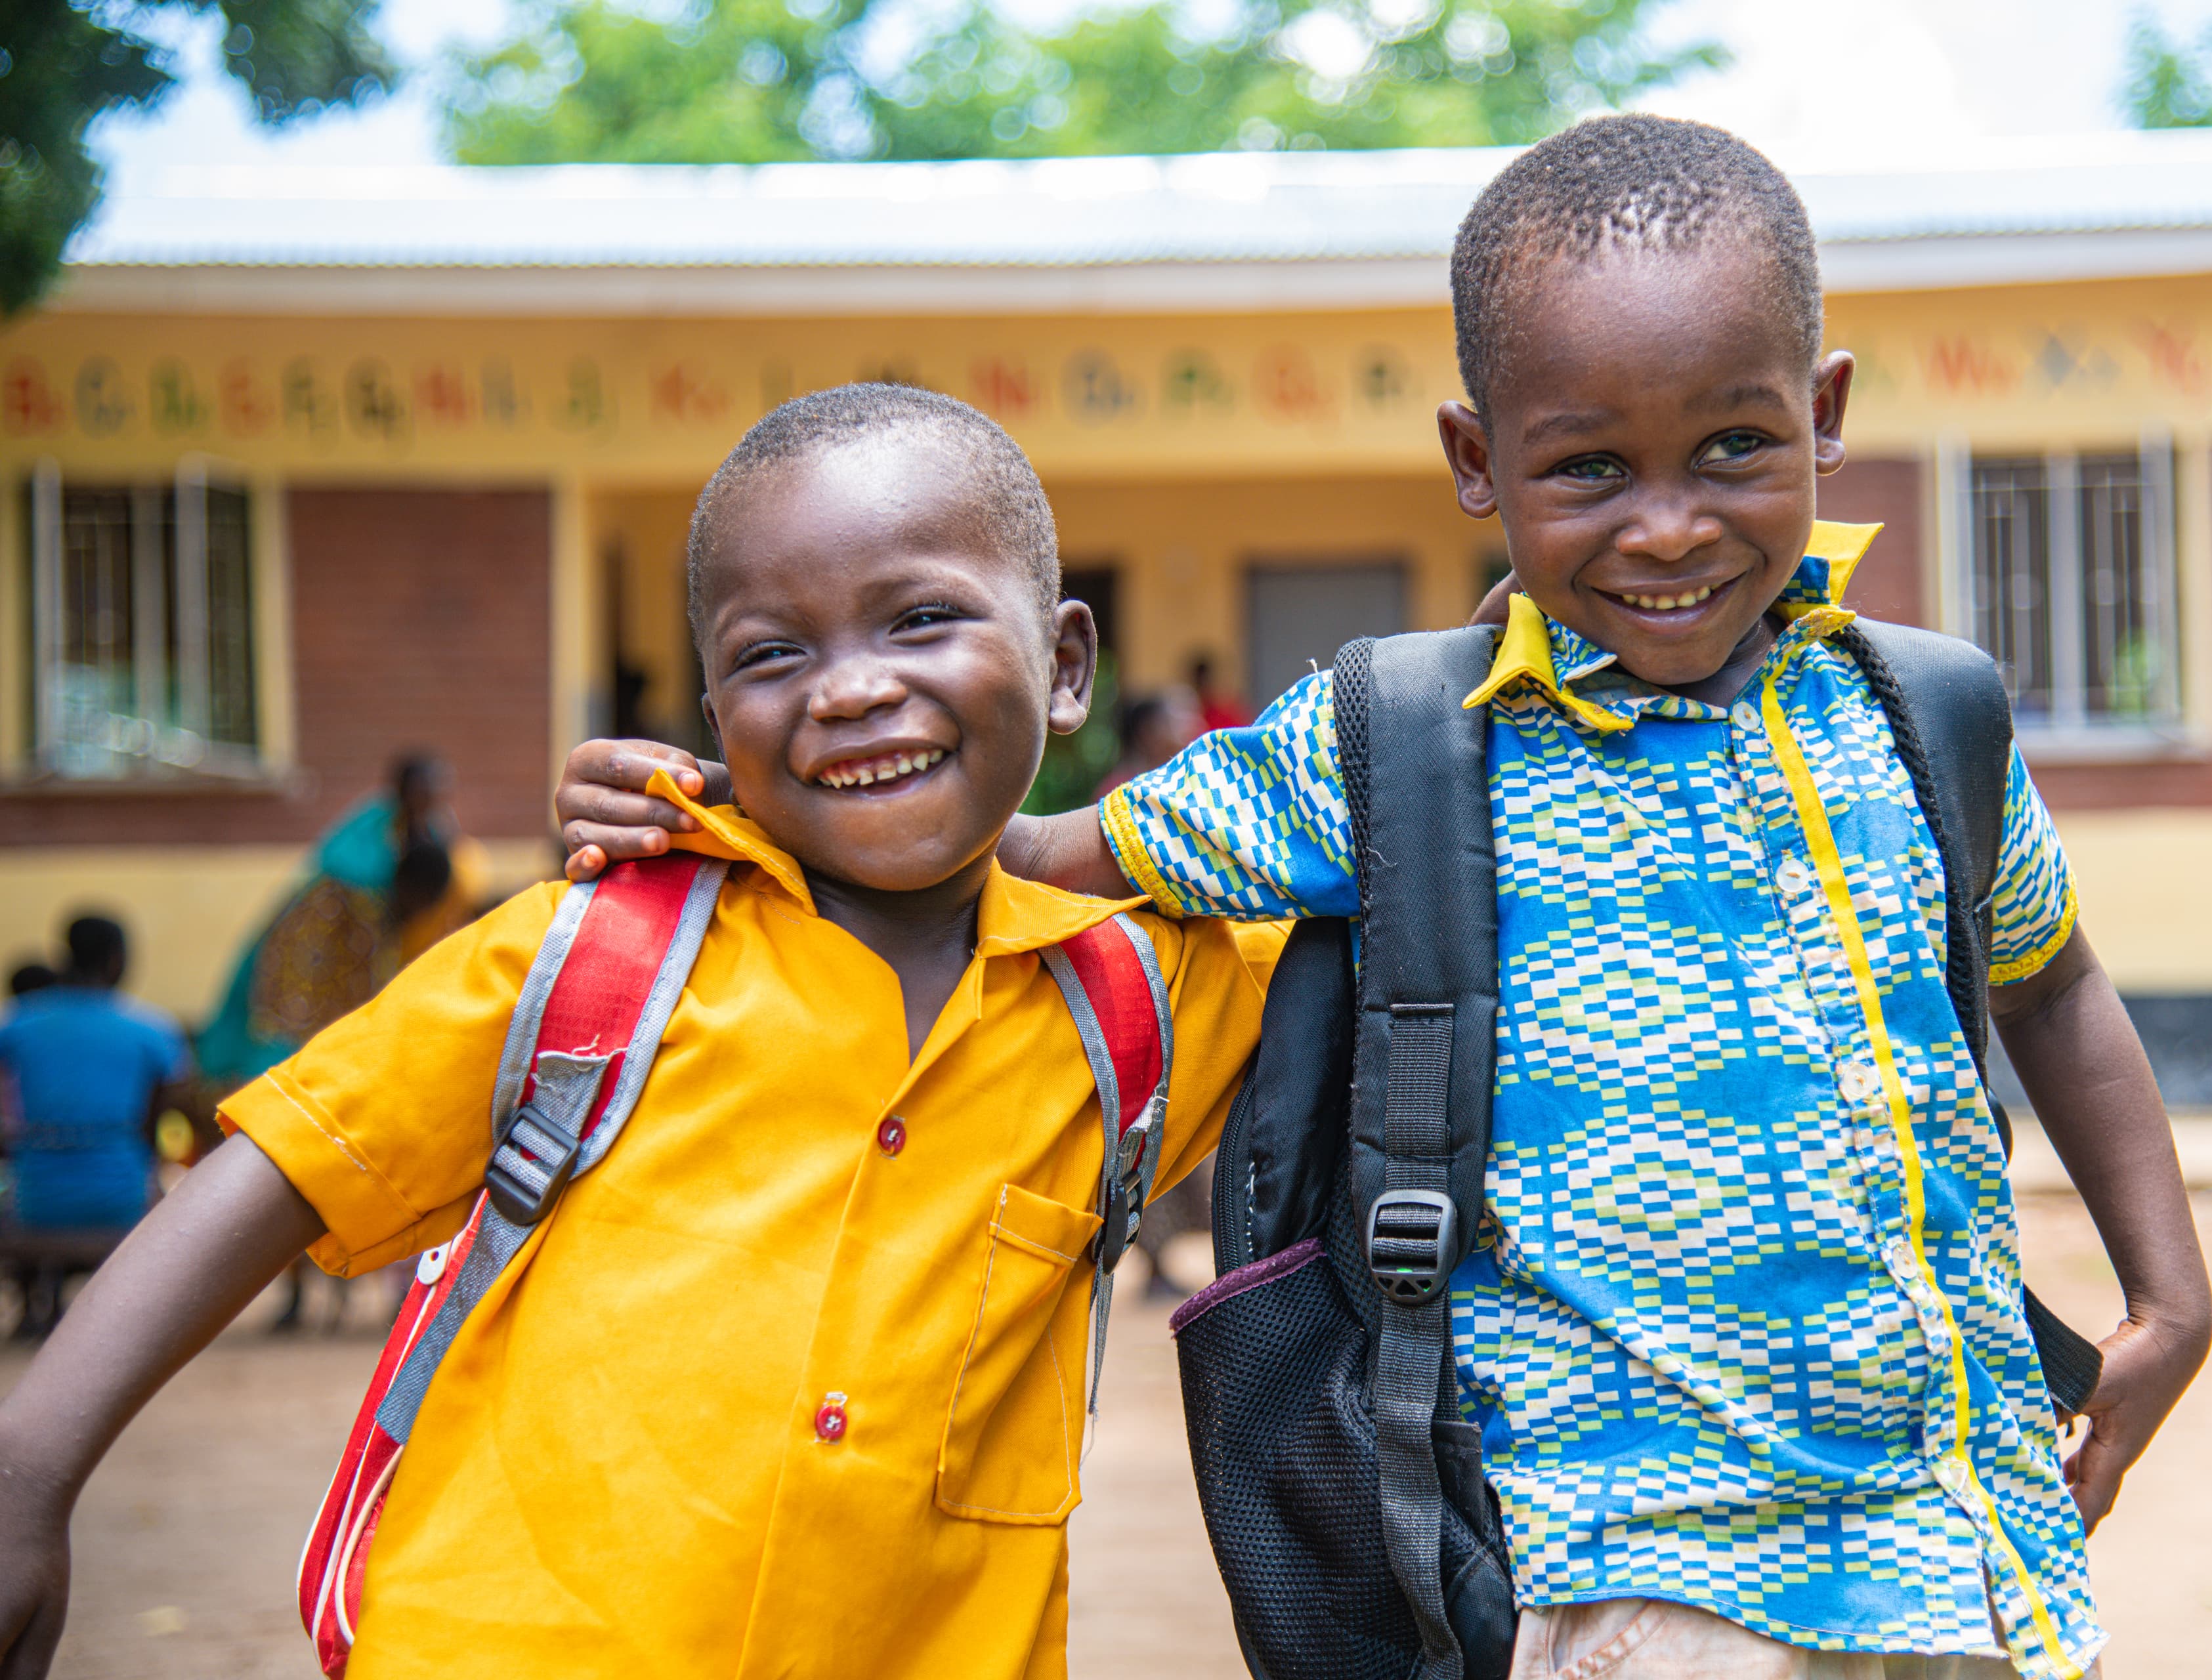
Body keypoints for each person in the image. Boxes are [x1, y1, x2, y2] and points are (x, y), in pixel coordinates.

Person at [557, 118, 2212, 1680]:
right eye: (1586, 470)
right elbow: (1033, 851)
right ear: (1475, 462)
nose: (1668, 523)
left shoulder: (1925, 718)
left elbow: (2048, 988)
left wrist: (2166, 1291)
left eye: (1732, 445)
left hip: (1972, 1537)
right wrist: (724, 798)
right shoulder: (1398, 742)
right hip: (1630, 1566)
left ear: (1823, 411)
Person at [0, 385, 1275, 1680]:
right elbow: (279, 1165)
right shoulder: (593, 956)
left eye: (923, 618)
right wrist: (26, 1470)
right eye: (773, 653)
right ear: (714, 709)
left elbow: (1438, 752)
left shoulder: (1137, 998)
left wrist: (1051, 842)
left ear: (1066, 666)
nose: (849, 688)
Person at [194, 752, 488, 1092]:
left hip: (369, 947)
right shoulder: (366, 844)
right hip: (322, 936)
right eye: (425, 790)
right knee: (288, 1025)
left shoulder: (439, 836)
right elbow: (340, 875)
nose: (432, 800)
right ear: (402, 789)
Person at [0, 916, 192, 1337]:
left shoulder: (16, 1024)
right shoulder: (152, 1030)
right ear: (116, 959)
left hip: (37, 1200)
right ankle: (122, 1318)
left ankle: (39, 1305)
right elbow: (154, 1129)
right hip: (119, 1197)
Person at [1185, 652, 1250, 735]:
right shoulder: (1189, 718)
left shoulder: (1226, 714)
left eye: (1206, 683)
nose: (1204, 688)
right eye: (1200, 684)